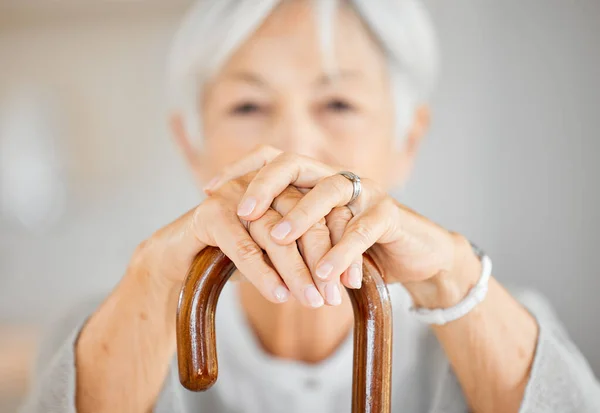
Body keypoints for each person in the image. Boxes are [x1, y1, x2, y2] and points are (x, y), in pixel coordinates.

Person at [19, 1, 600, 412]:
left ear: (408, 141)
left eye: (339, 103)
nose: (293, 147)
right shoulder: (96, 330)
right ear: (192, 146)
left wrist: (452, 276)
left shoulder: (500, 323)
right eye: (248, 105)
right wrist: (151, 274)